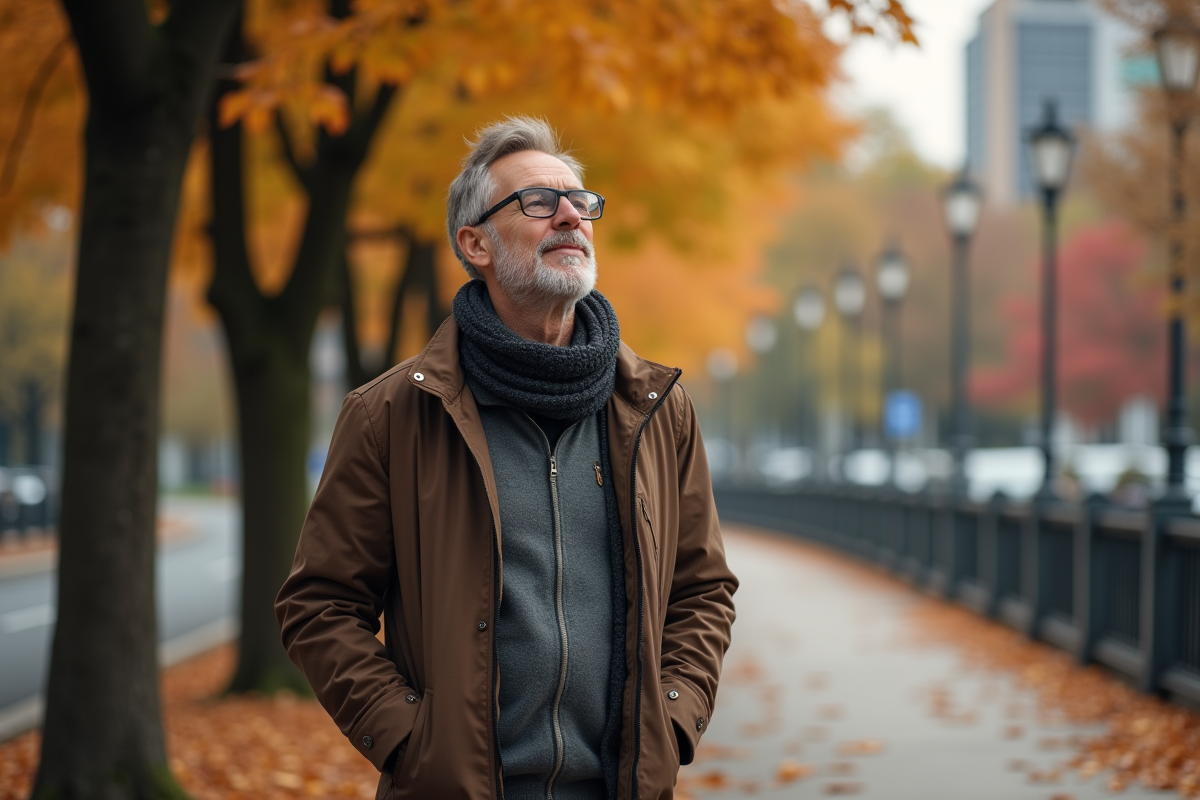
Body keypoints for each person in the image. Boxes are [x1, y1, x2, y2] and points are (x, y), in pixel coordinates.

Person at [275, 116, 737, 800]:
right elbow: (319, 604)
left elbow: (702, 591)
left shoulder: (657, 408)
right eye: (539, 203)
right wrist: (409, 739)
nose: (571, 218)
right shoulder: (393, 415)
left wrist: (671, 719)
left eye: (581, 203)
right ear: (475, 244)